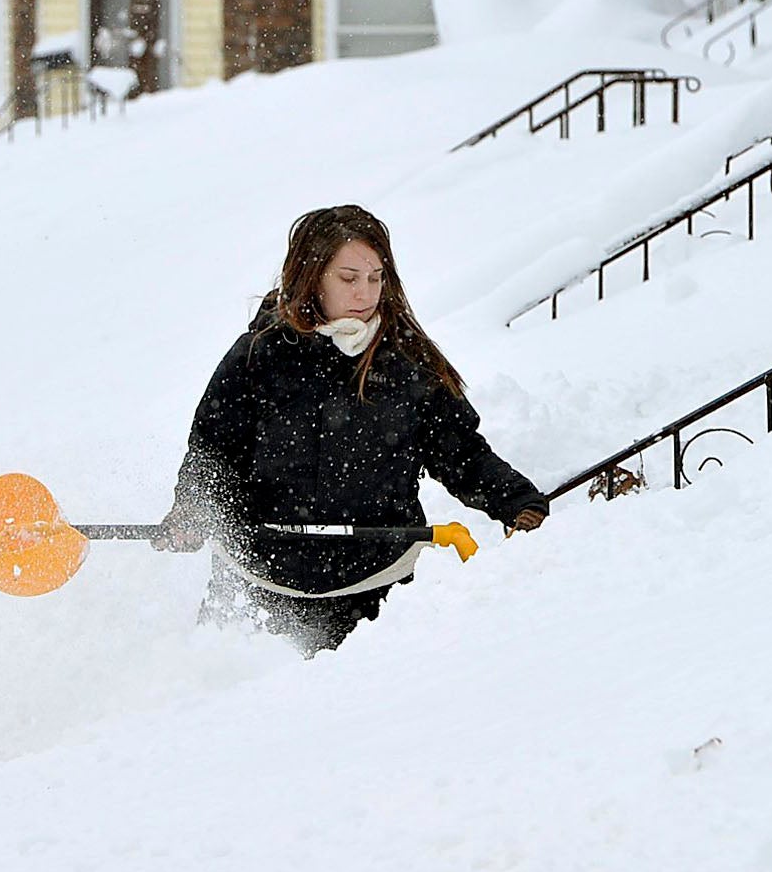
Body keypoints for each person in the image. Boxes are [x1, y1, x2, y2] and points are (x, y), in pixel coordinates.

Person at [158, 204, 549, 654]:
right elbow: (213, 452)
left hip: (376, 596)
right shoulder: (258, 357)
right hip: (254, 589)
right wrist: (194, 509)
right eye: (348, 278)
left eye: (375, 278)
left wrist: (519, 503)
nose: (365, 293)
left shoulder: (408, 366)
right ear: (312, 276)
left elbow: (461, 454)